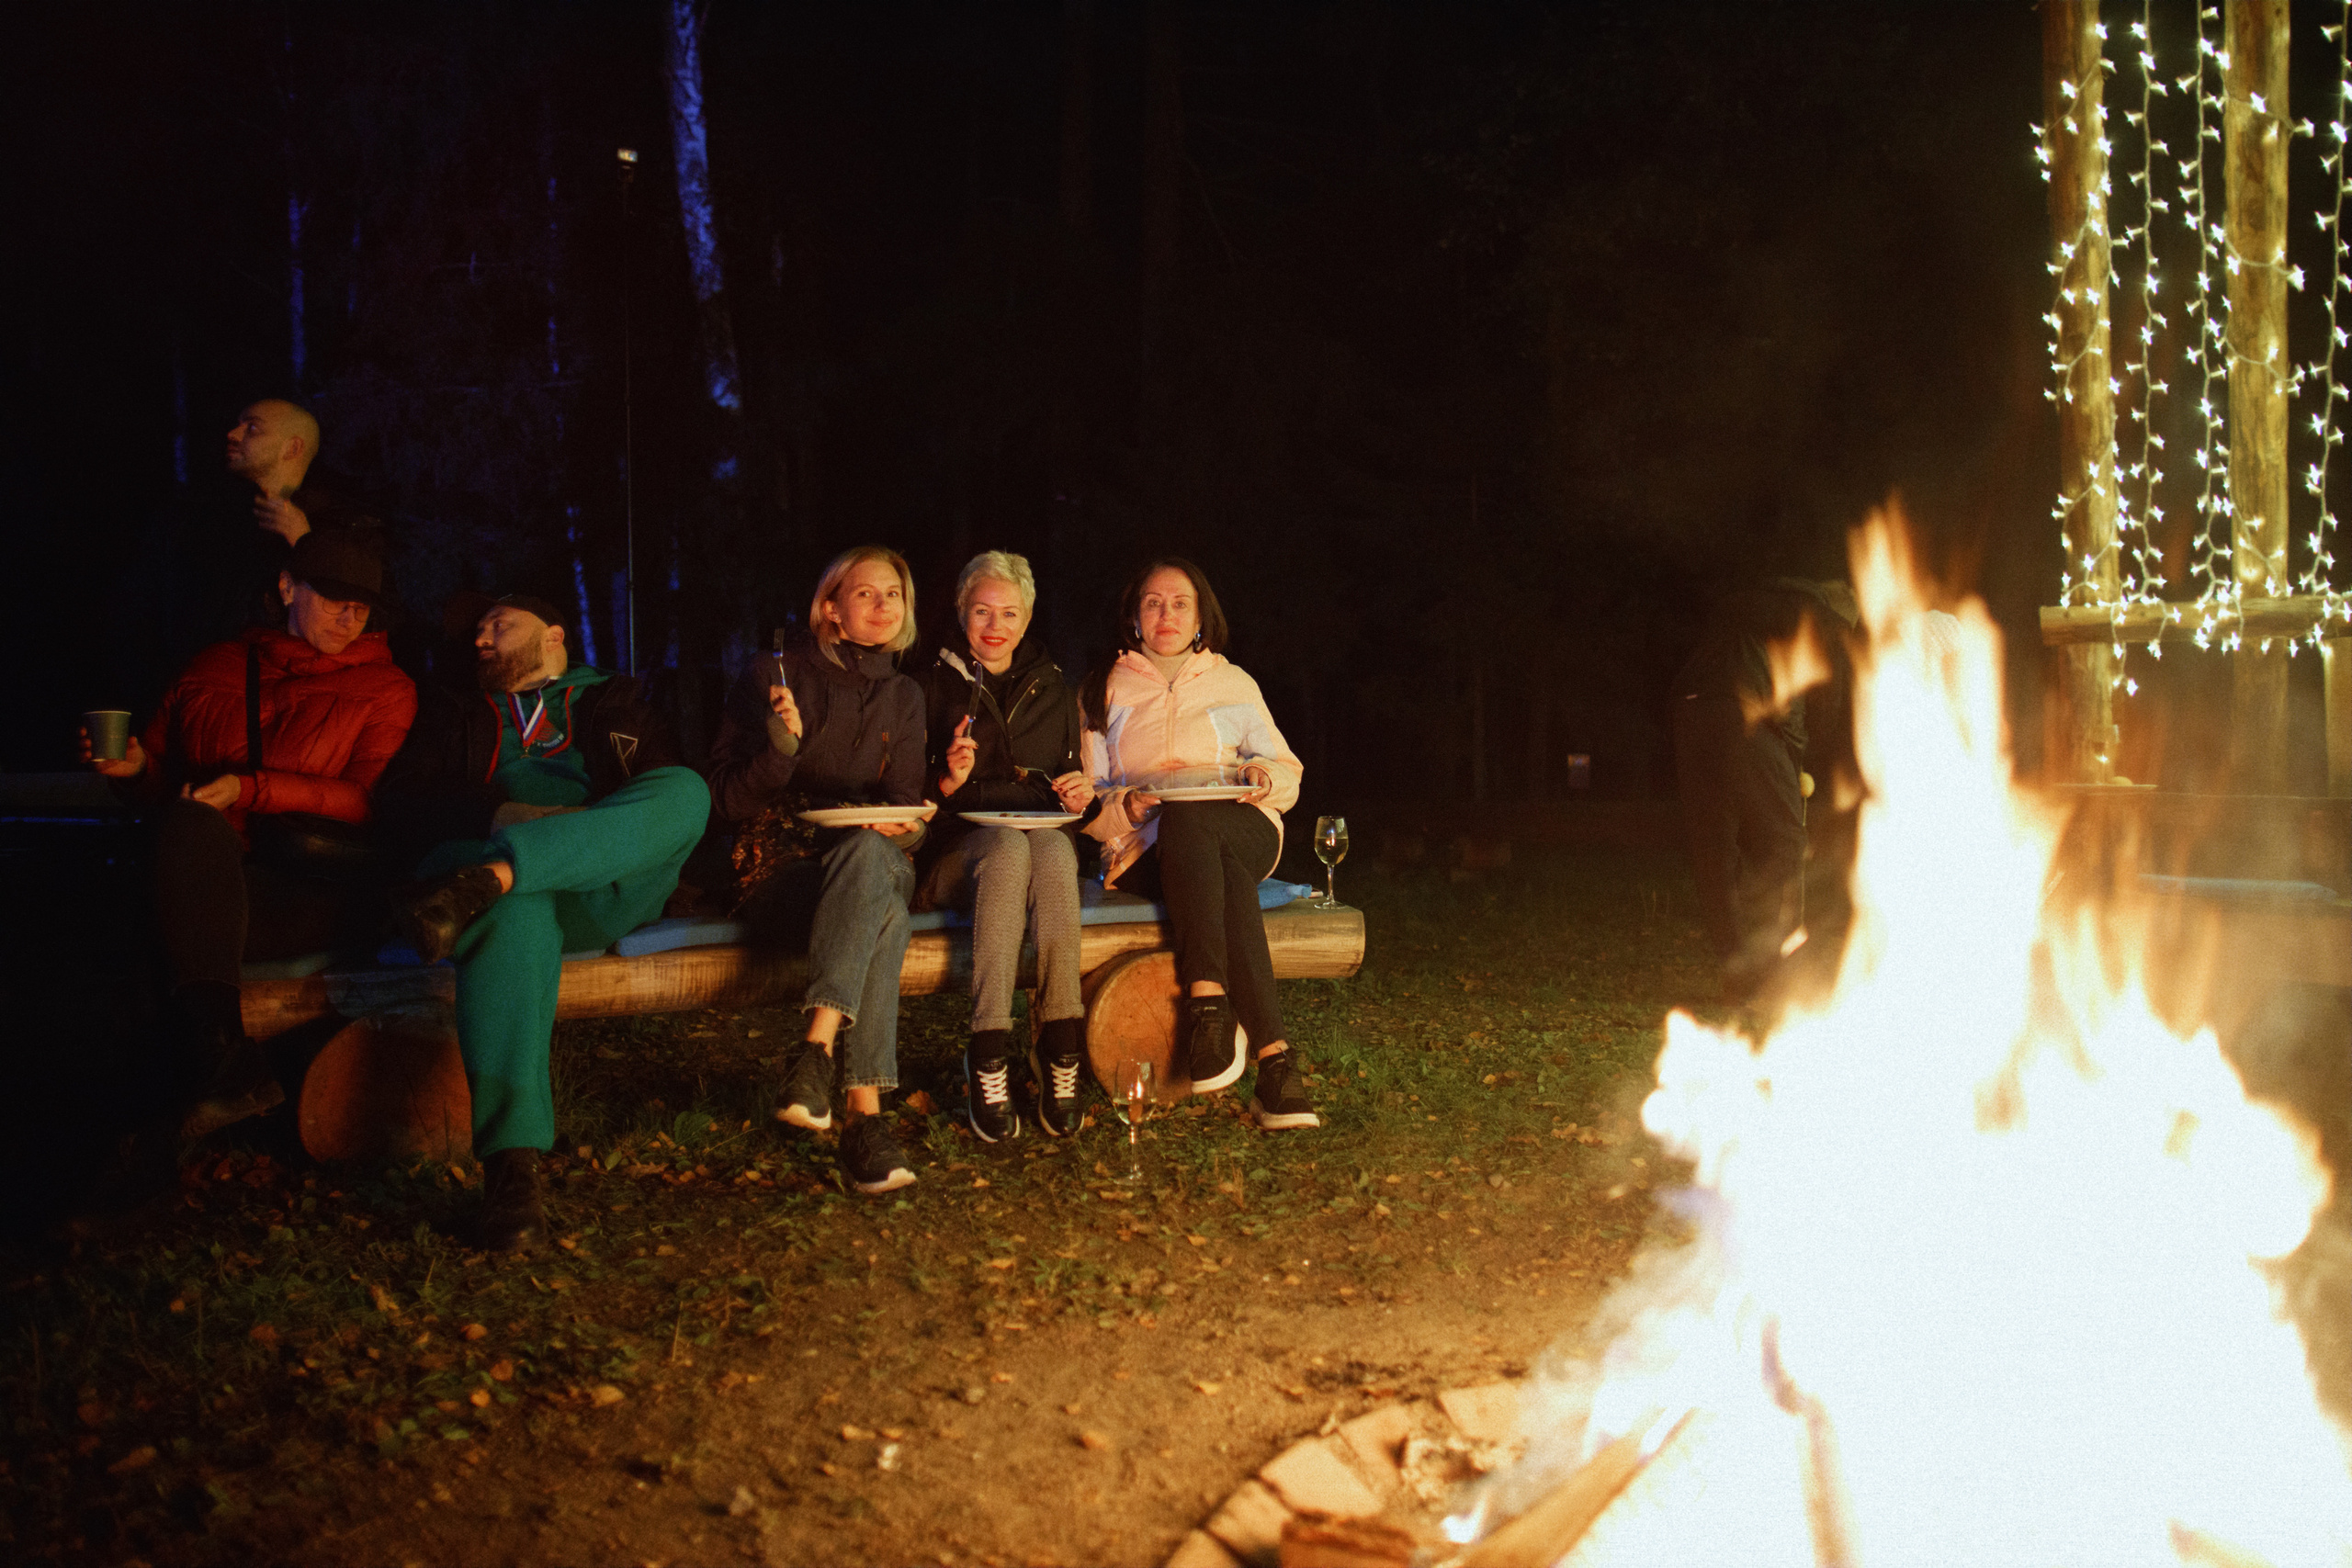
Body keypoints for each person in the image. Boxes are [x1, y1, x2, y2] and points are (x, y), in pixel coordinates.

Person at [377, 592, 709, 1252]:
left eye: (498, 623)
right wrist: (503, 820)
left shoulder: (617, 700)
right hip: (485, 878)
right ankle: (512, 1179)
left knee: (687, 792)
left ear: (553, 632)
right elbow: (402, 806)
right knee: (516, 911)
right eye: (476, 628)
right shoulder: (454, 711)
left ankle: (499, 876)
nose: (482, 637)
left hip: (597, 879)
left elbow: (655, 797)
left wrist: (577, 836)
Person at [84, 529, 416, 1135]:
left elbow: (362, 800)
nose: (351, 616)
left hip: (306, 887)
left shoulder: (385, 688)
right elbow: (170, 784)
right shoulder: (211, 667)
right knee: (156, 922)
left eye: (363, 605)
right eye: (334, 596)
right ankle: (189, 1105)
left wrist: (250, 787)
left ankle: (219, 1083)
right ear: (288, 586)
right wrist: (134, 770)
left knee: (153, 942)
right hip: (209, 879)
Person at [704, 547, 929, 1196]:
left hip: (870, 856)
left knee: (869, 856)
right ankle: (864, 1120)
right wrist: (780, 753)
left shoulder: (906, 694)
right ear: (830, 606)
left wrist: (910, 824)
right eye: (866, 594)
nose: (884, 605)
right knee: (884, 910)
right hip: (784, 868)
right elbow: (724, 800)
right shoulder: (774, 675)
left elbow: (907, 803)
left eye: (894, 594)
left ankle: (815, 1052)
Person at [1078, 558, 1316, 1131]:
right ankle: (1276, 1064)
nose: (1167, 614)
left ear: (1200, 616)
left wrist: (1263, 777)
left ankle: (1208, 1007)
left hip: (1242, 827)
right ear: (1134, 617)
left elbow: (1287, 771)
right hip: (1144, 851)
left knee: (1197, 823)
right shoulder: (1099, 690)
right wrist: (1125, 806)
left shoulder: (1234, 683)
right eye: (1154, 603)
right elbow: (1085, 804)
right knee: (1201, 845)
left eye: (1180, 603)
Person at [913, 551, 1095, 1143]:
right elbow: (903, 793)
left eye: (1009, 613)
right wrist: (945, 779)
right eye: (982, 611)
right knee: (1008, 848)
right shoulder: (929, 683)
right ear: (963, 613)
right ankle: (988, 1048)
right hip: (951, 853)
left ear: (1027, 617)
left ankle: (1060, 1045)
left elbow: (1069, 785)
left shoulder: (1053, 686)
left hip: (1036, 844)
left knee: (1054, 852)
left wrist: (1077, 796)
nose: (996, 625)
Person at [1669, 576, 1859, 1003]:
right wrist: (1796, 762)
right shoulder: (1820, 623)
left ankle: (1736, 969)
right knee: (1785, 839)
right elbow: (1804, 702)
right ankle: (1772, 969)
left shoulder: (1752, 605)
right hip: (1744, 711)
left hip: (1688, 707)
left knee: (1715, 849)